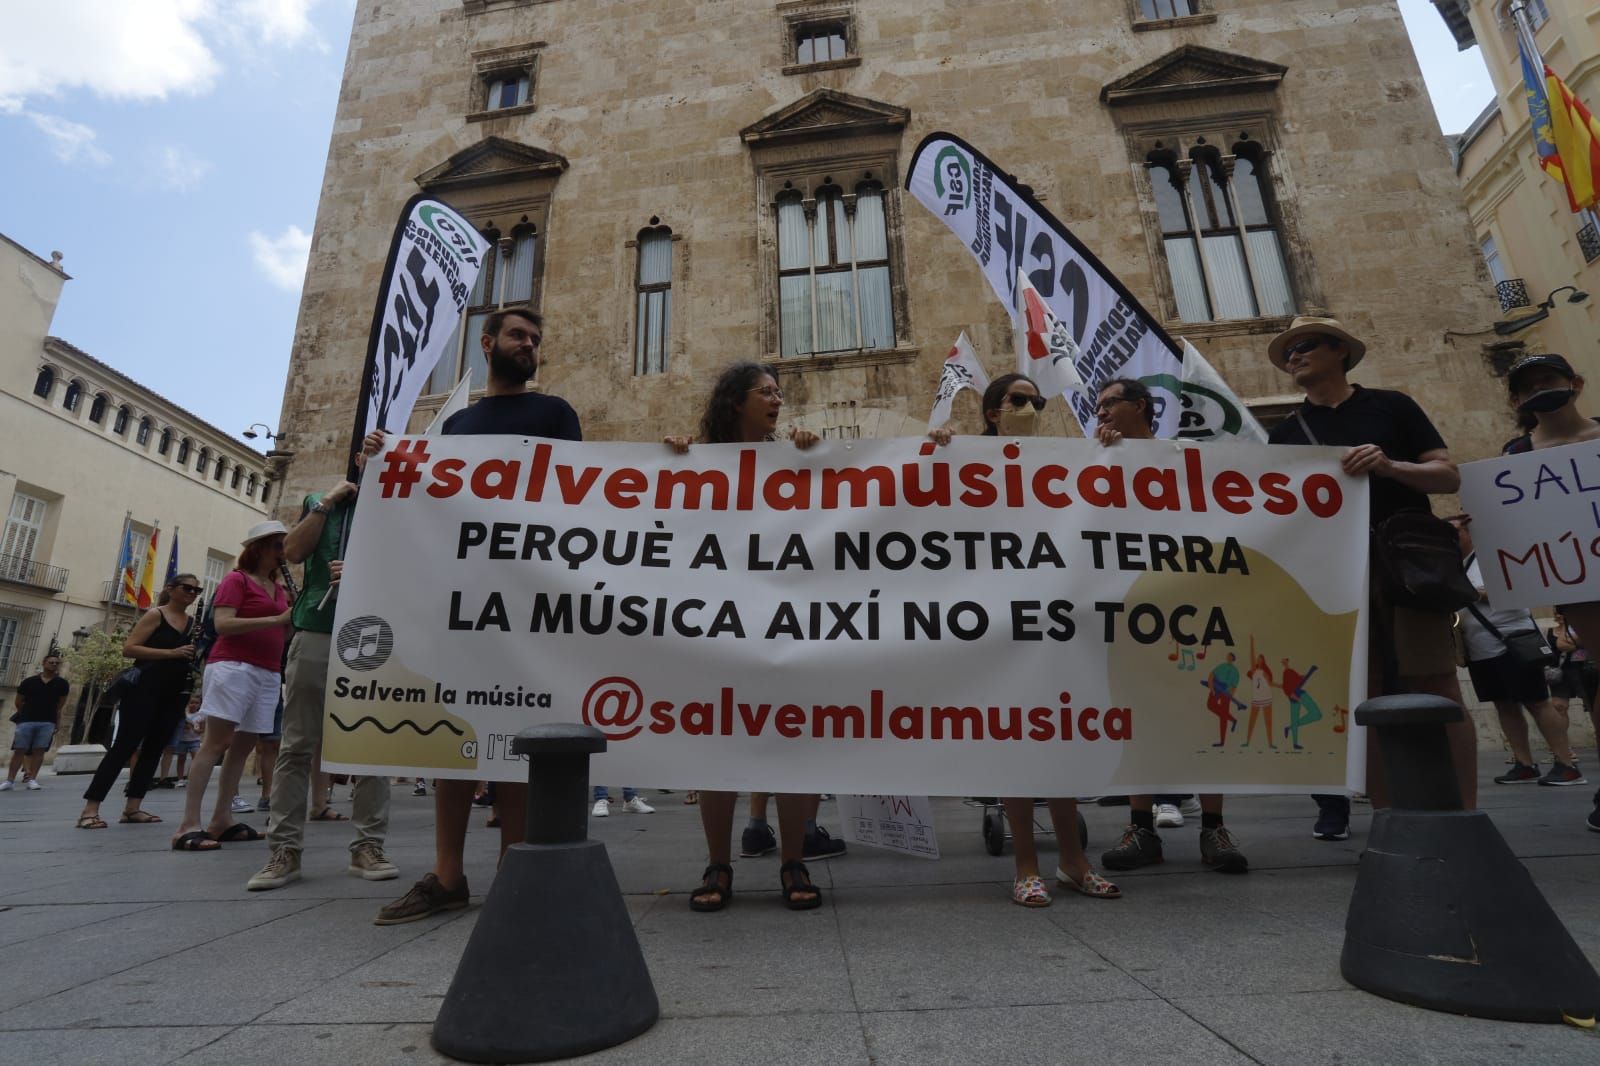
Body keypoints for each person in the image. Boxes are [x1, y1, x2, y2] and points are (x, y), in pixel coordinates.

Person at [374, 305, 580, 923]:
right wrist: (384, 461)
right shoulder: (456, 426)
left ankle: (512, 870)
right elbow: (427, 502)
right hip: (460, 600)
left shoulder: (555, 414)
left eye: (536, 339)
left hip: (523, 599)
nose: (529, 345)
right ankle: (447, 873)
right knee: (455, 735)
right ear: (486, 343)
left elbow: (581, 494)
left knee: (516, 738)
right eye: (518, 335)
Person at [1265, 317, 1476, 841]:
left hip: (1408, 569)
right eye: (1288, 350)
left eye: (1305, 345)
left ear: (1341, 351)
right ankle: (1388, 823)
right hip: (1336, 578)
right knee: (1369, 692)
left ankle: (1467, 816)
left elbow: (1448, 474)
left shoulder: (1393, 406)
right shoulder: (1285, 434)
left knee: (1438, 683)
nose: (1294, 356)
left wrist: (1390, 466)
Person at [931, 373, 1121, 904]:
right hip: (996, 621)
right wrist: (938, 451)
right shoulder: (966, 456)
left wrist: (1112, 451)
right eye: (1019, 400)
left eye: (1037, 401)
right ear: (992, 411)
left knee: (1059, 738)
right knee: (1015, 742)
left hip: (1057, 621)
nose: (1031, 407)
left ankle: (1074, 862)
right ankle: (1025, 864)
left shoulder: (1067, 458)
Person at [668, 361, 833, 911]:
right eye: (766, 392)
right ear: (735, 401)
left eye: (779, 393)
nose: (778, 400)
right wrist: (666, 461)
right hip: (721, 623)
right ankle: (719, 864)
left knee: (794, 740)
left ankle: (793, 859)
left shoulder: (794, 456)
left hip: (788, 621)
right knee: (717, 742)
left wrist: (811, 453)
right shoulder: (700, 461)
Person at [1088, 378, 1250, 875]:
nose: (1102, 414)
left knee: (1206, 710)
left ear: (1139, 405)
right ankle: (1141, 828)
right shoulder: (1095, 458)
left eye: (1109, 404)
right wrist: (1101, 459)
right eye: (1097, 407)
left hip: (1191, 605)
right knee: (1136, 714)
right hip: (1130, 608)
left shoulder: (1184, 457)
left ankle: (1214, 828)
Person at [249, 468, 397, 892]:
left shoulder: (402, 509)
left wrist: (367, 579)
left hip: (374, 632)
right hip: (318, 628)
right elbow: (292, 552)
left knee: (373, 743)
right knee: (296, 745)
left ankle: (368, 845)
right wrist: (327, 501)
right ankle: (284, 851)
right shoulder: (322, 501)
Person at [1498, 353, 1600, 830]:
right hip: (1580, 582)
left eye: (1550, 380)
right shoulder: (1516, 457)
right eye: (1530, 385)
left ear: (1574, 383)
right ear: (1518, 400)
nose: (1542, 389)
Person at [170, 523, 292, 852]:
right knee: (217, 742)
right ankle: (188, 824)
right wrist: (276, 621)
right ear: (261, 547)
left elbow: (283, 631)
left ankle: (221, 819)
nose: (285, 551)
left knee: (243, 746)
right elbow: (223, 624)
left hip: (267, 671)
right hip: (233, 666)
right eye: (280, 545)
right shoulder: (236, 580)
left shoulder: (278, 589)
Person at [1446, 514, 1583, 787]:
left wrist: (1466, 592)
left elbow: (1514, 591)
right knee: (1504, 706)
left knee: (1538, 702)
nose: (1449, 538)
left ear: (1470, 533)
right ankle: (1524, 764)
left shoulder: (1494, 559)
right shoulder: (1453, 567)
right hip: (1480, 649)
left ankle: (1567, 764)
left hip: (1514, 641)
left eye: (1455, 532)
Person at [77, 574, 201, 827]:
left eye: (197, 590)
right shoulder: (156, 614)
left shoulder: (193, 623)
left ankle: (133, 807)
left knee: (155, 748)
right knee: (124, 746)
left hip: (175, 691)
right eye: (187, 588)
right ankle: (90, 810)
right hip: (145, 687)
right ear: (171, 589)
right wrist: (171, 653)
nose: (192, 593)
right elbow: (130, 648)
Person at [4, 652, 69, 792]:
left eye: (57, 663)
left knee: (39, 751)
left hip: (47, 722)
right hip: (26, 721)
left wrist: (55, 720)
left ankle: (32, 779)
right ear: (44, 663)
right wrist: (26, 715)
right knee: (19, 750)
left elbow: (60, 704)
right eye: (51, 662)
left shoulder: (62, 684)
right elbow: (18, 701)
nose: (54, 665)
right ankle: (9, 781)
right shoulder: (29, 682)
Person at [1548, 612, 1597, 737]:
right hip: (1560, 673)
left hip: (1583, 670)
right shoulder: (1549, 631)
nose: (1559, 615)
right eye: (1557, 612)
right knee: (1559, 706)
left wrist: (1572, 641)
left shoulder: (1584, 627)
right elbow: (1561, 644)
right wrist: (1575, 643)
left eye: (1562, 613)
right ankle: (1563, 748)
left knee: (1592, 706)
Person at [156, 692, 204, 787]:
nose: (194, 705)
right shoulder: (184, 715)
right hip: (182, 741)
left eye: (196, 703)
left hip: (194, 741)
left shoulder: (200, 715)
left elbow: (201, 730)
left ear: (199, 704)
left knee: (196, 759)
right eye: (191, 702)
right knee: (181, 759)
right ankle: (180, 779)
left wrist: (194, 729)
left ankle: (192, 777)